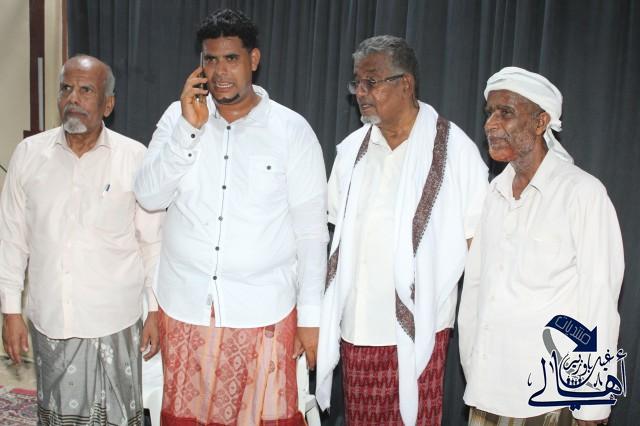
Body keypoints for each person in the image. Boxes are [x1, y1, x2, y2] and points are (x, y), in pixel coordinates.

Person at [133, 9, 328, 425]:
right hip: (185, 306)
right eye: (210, 59)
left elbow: (312, 233)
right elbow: (149, 196)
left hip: (263, 311)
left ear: (253, 59)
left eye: (231, 59)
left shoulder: (292, 131)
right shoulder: (177, 118)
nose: (220, 71)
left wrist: (311, 319)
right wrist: (189, 130)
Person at [316, 35, 489, 425]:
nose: (361, 92)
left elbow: (475, 244)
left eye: (371, 82)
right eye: (357, 83)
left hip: (421, 327)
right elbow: (335, 236)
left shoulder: (455, 150)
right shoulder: (351, 151)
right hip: (358, 327)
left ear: (406, 84)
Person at [0, 55, 162, 425]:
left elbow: (152, 242)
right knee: (60, 416)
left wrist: (155, 310)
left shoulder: (134, 157)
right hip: (52, 319)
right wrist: (10, 311)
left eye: (86, 90)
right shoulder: (29, 155)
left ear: (108, 104)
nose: (73, 97)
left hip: (115, 321)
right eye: (66, 88)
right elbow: (11, 239)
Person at [458, 67, 625, 426]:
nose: (490, 124)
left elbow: (599, 300)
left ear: (540, 122)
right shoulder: (494, 193)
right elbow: (475, 289)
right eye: (489, 113)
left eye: (505, 112)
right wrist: (473, 367)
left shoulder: (583, 193)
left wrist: (592, 402)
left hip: (548, 398)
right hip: (486, 390)